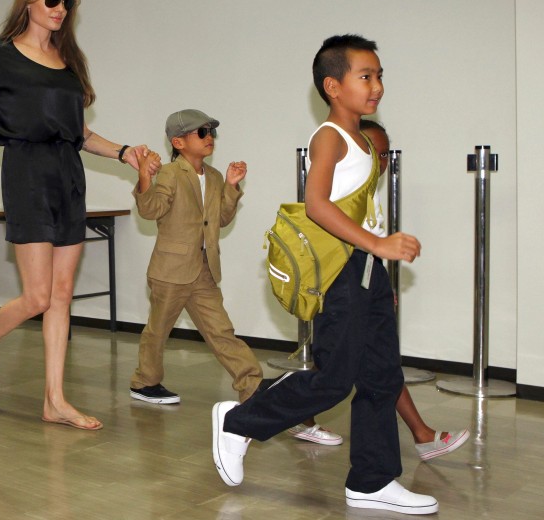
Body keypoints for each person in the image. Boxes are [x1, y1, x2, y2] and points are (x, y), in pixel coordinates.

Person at [212, 35, 439, 515]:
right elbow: (316, 206)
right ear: (333, 86)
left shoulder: (361, 139)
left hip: (366, 272)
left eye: (379, 75)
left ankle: (372, 481)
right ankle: (238, 421)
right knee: (336, 379)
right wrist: (377, 244)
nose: (376, 85)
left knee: (381, 375)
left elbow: (361, 212)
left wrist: (379, 269)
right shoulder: (330, 137)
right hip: (342, 272)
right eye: (366, 76)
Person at [0, 0, 156, 431]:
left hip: (68, 173)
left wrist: (124, 152)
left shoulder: (69, 63)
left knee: (61, 295)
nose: (62, 8)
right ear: (30, 1)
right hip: (26, 172)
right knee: (38, 295)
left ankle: (55, 400)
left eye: (69, 1)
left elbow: (79, 133)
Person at [293, 119, 470, 459]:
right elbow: (323, 220)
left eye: (386, 154)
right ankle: (243, 420)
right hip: (340, 280)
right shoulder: (337, 180)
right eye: (375, 152)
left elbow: (370, 246)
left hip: (364, 280)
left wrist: (378, 288)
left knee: (373, 363)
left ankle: (415, 440)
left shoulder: (368, 194)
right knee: (344, 368)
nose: (381, 161)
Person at [129, 109, 263, 405]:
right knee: (158, 330)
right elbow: (151, 211)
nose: (209, 137)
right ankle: (145, 382)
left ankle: (251, 383)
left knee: (222, 330)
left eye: (211, 132)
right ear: (178, 142)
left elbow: (221, 220)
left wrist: (231, 186)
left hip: (203, 269)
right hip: (170, 269)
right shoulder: (168, 173)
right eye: (201, 133)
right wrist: (143, 176)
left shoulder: (214, 177)